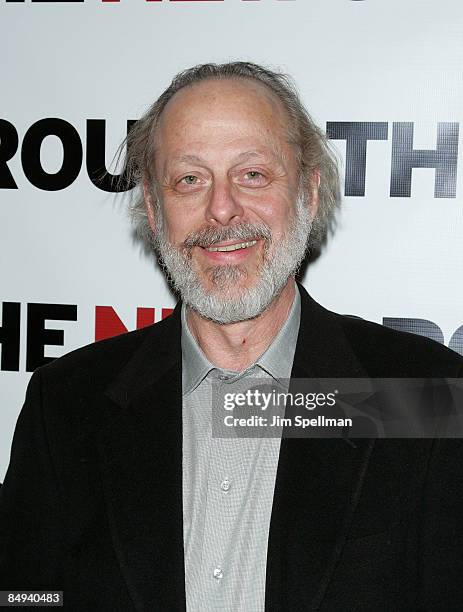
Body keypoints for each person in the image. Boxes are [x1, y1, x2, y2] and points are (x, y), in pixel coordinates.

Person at [1, 62, 462, 611]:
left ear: (309, 195)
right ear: (153, 208)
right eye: (189, 179)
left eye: (253, 175)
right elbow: (26, 595)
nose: (221, 210)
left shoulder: (423, 396)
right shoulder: (68, 401)